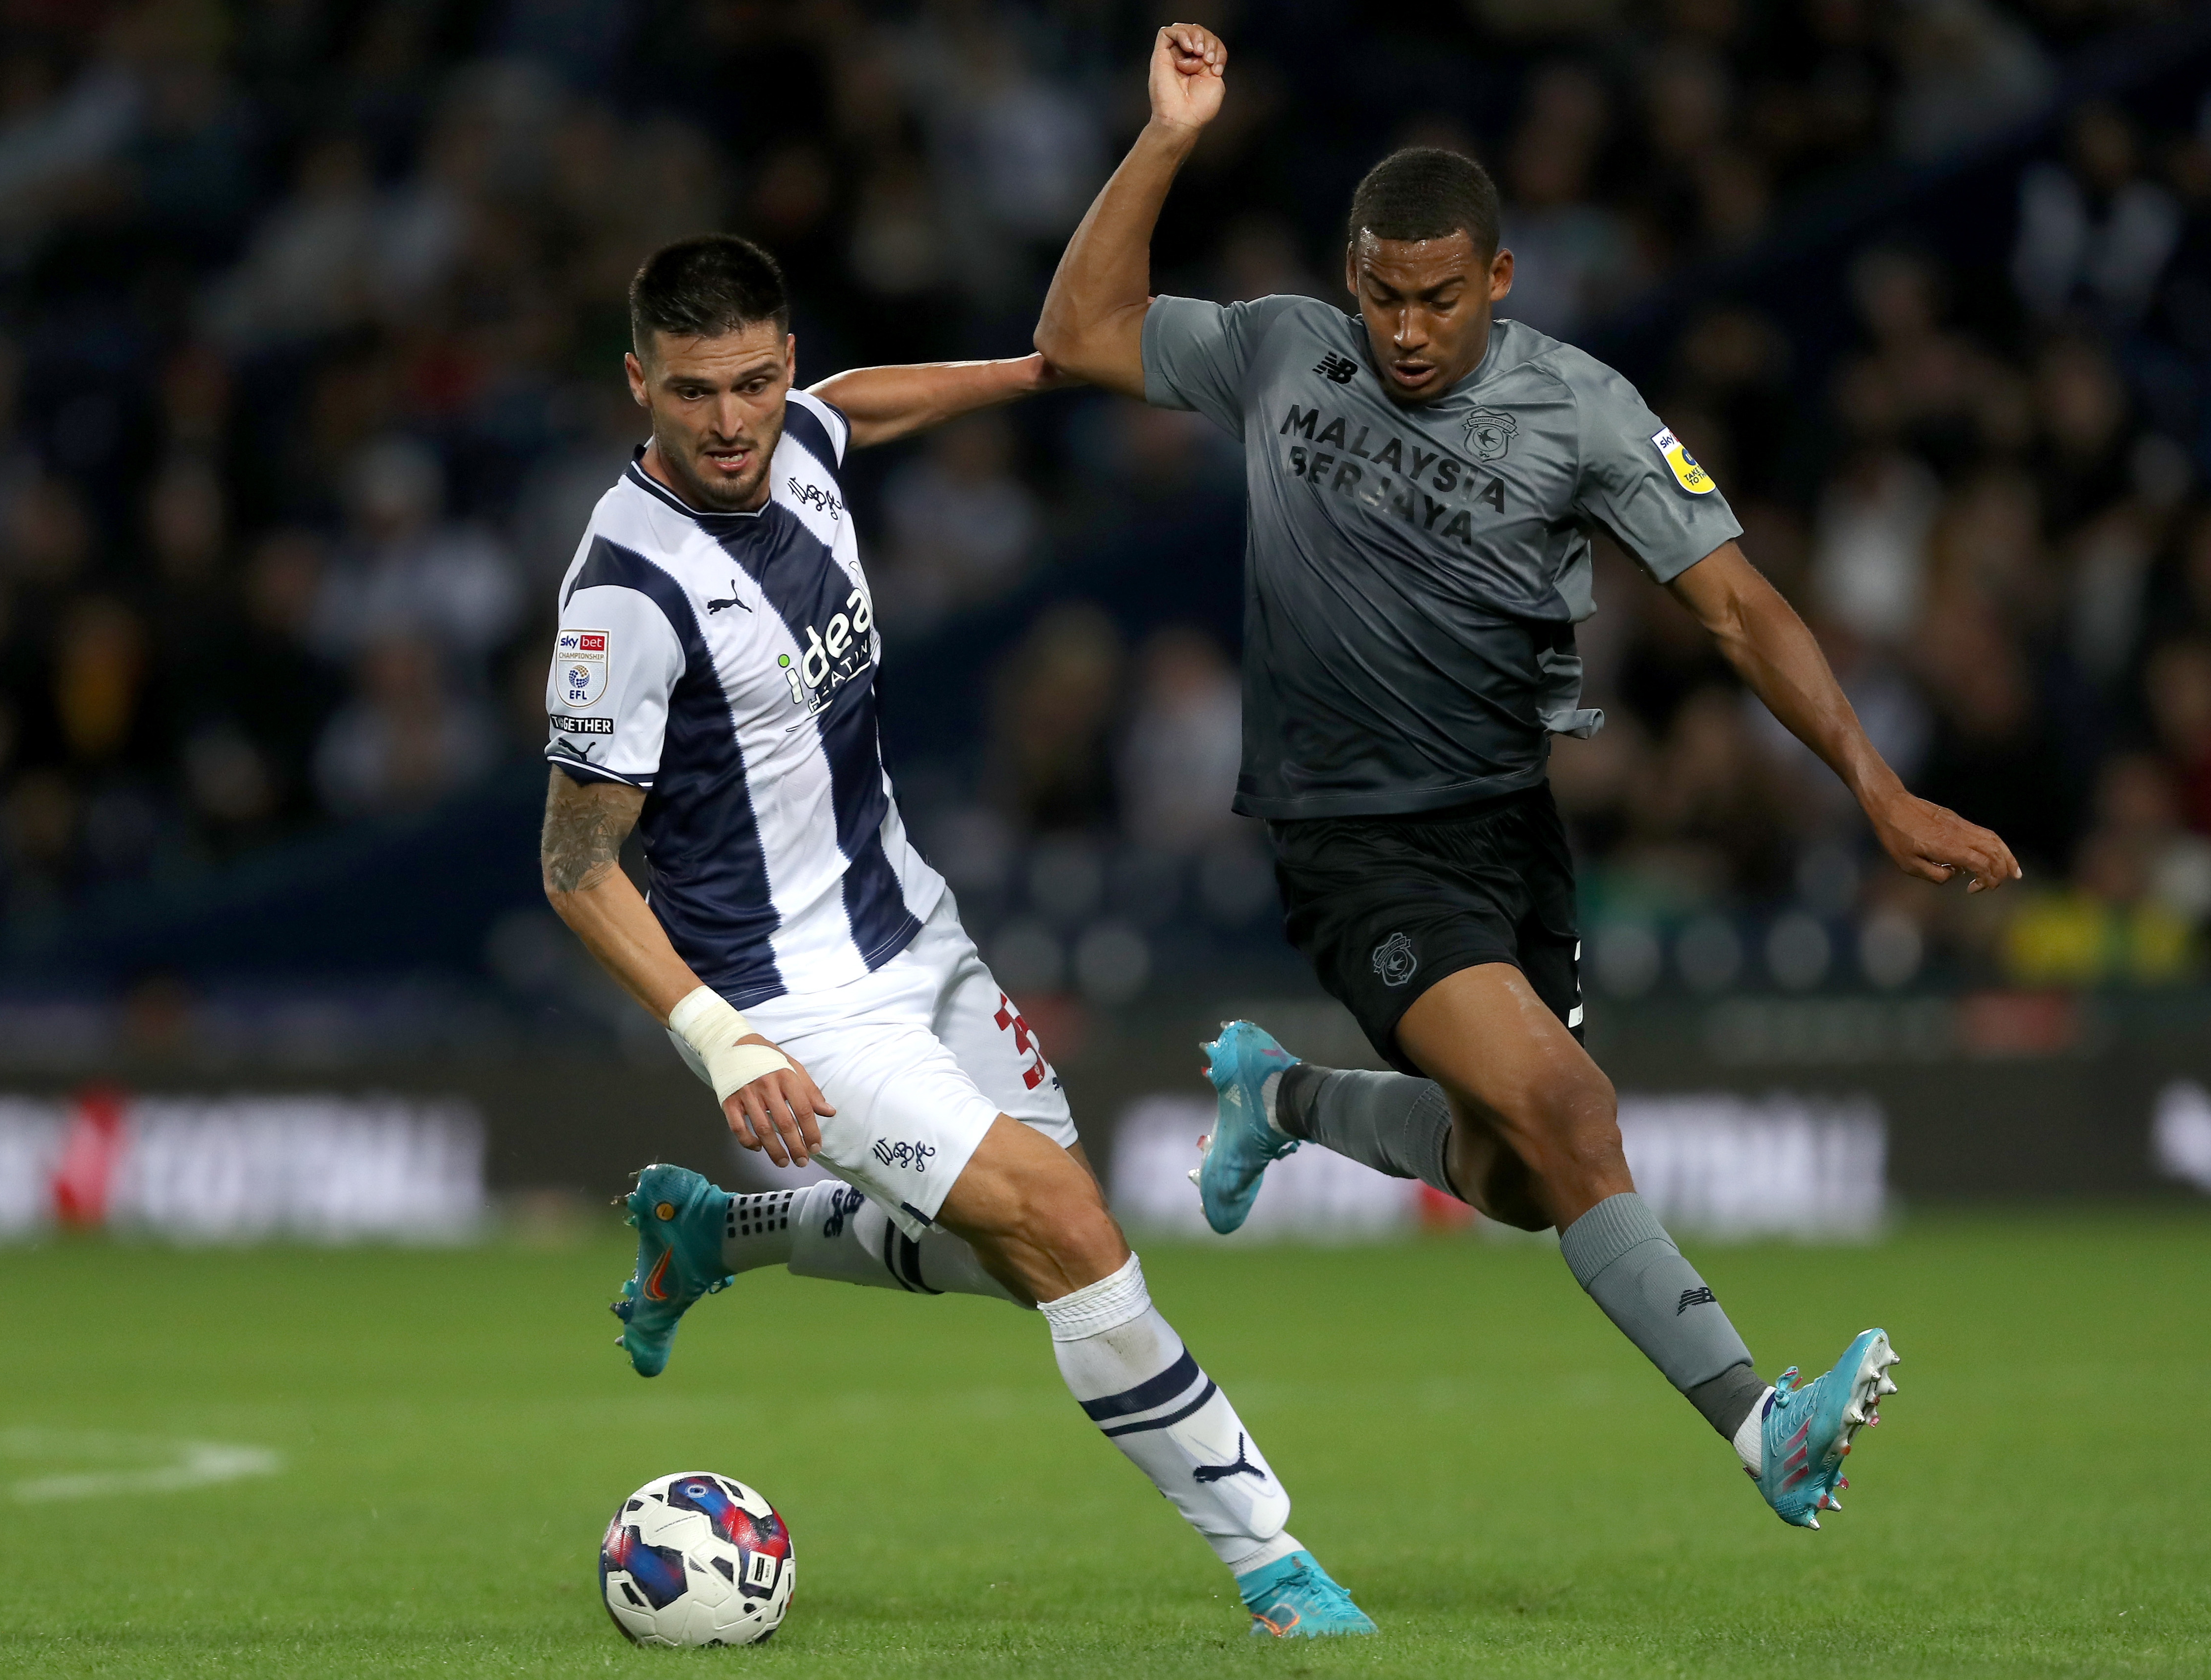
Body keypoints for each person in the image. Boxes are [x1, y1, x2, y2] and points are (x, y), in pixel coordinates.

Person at [1035, 24, 2019, 1531]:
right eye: (1381, 293)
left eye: (1438, 298)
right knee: (1571, 1111)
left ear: (1499, 280)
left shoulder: (1587, 412)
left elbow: (1739, 606)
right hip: (1352, 841)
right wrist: (1167, 139)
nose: (1406, 328)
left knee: (1516, 1177)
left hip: (1507, 831)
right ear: (1348, 272)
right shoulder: (1281, 349)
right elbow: (1081, 328)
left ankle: (1276, 1099)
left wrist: (1874, 787)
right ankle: (1766, 1424)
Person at [538, 234, 1373, 1638]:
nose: (731, 423)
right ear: (640, 385)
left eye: (752, 383)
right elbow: (574, 864)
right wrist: (721, 1042)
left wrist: (1038, 370)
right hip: (790, 1007)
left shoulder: (796, 439)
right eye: (692, 395)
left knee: (1015, 1256)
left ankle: (717, 1238)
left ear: (783, 361)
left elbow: (856, 409)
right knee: (1067, 1228)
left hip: (914, 929)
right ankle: (1274, 1564)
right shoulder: (627, 593)